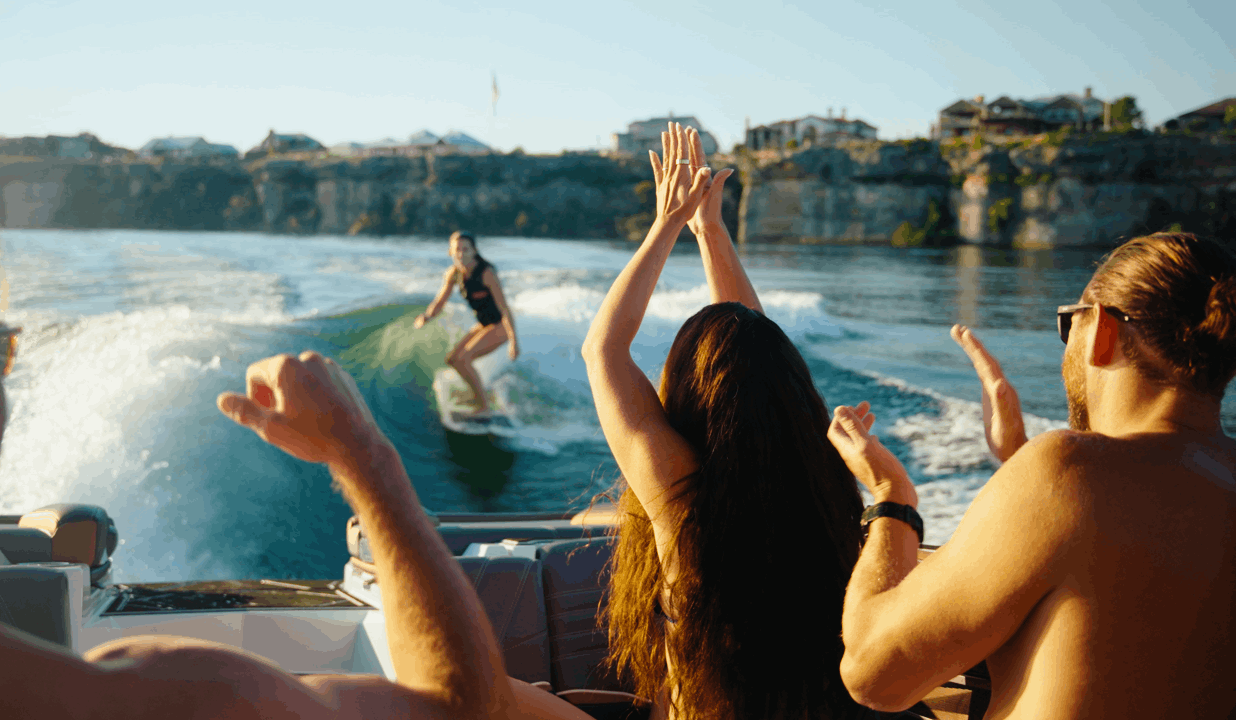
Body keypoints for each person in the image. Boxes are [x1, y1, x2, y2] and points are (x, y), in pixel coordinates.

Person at [0, 180, 585, 719]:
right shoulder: (155, 698)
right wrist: (364, 456)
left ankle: (480, 397)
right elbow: (463, 712)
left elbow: (497, 310)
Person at [828, 232, 1236, 719]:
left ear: (1103, 330)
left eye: (1068, 324)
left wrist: (891, 497)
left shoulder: (1068, 471)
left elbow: (873, 675)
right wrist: (1019, 458)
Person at [582, 122, 869, 720]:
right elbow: (755, 355)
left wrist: (667, 223)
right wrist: (709, 232)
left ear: (690, 390)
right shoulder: (819, 480)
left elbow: (603, 350)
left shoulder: (684, 499)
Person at [414, 231, 519, 418]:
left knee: (463, 359)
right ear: (450, 252)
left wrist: (513, 341)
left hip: (500, 326)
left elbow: (504, 308)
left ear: (475, 251)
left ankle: (484, 407)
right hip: (484, 325)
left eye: (466, 249)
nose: (461, 254)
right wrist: (426, 316)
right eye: (457, 250)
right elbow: (440, 301)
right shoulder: (454, 273)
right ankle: (480, 395)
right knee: (452, 359)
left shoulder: (486, 273)